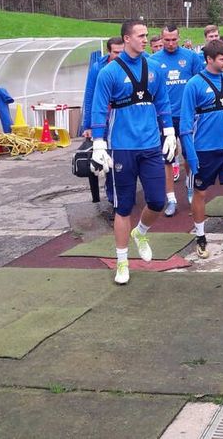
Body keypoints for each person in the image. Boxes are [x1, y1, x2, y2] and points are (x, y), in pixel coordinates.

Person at [90, 20, 177, 285]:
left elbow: (162, 100)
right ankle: (122, 262)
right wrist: (98, 144)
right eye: (140, 35)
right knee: (123, 207)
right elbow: (98, 108)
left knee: (157, 201)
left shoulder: (155, 68)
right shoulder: (109, 72)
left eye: (146, 35)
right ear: (126, 38)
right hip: (121, 147)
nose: (145, 39)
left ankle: (141, 232)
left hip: (150, 145)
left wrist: (169, 131)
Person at [179, 38, 223, 261]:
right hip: (204, 150)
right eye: (222, 59)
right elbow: (185, 124)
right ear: (209, 59)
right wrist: (190, 155)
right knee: (200, 193)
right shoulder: (193, 85)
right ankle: (200, 237)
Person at [149, 23, 203, 216]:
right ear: (161, 39)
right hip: (165, 117)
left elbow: (199, 83)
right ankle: (171, 199)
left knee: (189, 155)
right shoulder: (154, 61)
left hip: (187, 116)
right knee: (168, 157)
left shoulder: (191, 57)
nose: (170, 43)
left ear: (179, 38)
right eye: (167, 40)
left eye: (174, 39)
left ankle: (190, 188)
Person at [80, 36, 124, 203]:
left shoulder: (131, 65)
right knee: (104, 156)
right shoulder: (98, 68)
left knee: (121, 156)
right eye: (116, 52)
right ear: (108, 51)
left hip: (122, 119)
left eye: (122, 52)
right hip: (103, 119)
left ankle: (121, 193)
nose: (119, 56)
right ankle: (111, 195)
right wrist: (87, 125)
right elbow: (90, 95)